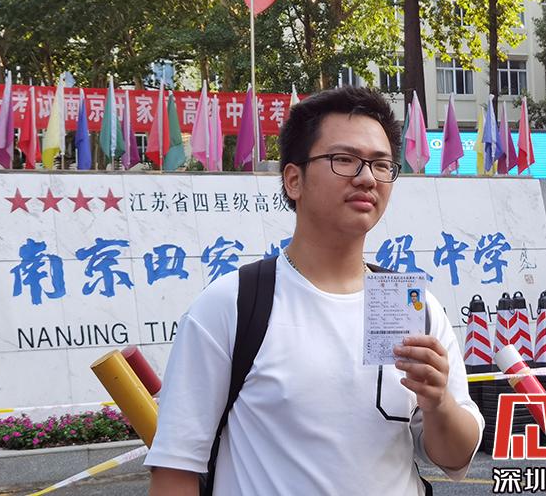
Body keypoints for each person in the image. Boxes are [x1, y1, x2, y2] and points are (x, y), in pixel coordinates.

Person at [146, 86, 484, 495]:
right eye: (344, 160)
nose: (367, 178)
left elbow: (455, 459)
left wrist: (438, 403)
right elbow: (175, 469)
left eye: (381, 164)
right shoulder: (232, 305)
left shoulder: (414, 306)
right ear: (294, 180)